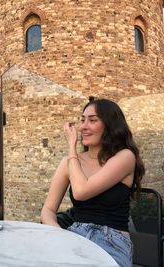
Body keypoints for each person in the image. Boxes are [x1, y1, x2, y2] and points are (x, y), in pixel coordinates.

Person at [41, 98, 145, 267]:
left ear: (110, 125)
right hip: (73, 235)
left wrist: (71, 147)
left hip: (111, 241)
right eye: (83, 120)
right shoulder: (70, 162)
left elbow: (81, 192)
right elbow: (48, 209)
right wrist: (59, 234)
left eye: (93, 120)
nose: (83, 127)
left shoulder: (125, 157)